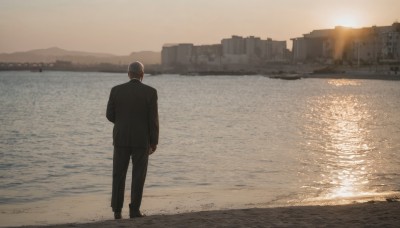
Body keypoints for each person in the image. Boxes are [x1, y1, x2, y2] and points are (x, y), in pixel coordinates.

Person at [106, 61, 159, 219]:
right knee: (138, 176)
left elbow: (109, 115)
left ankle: (117, 210)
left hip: (120, 138)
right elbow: (153, 119)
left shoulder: (116, 90)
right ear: (142, 74)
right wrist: (154, 141)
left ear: (128, 74)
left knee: (118, 175)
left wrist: (122, 122)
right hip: (141, 139)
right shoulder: (150, 92)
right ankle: (134, 210)